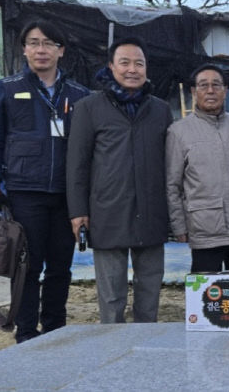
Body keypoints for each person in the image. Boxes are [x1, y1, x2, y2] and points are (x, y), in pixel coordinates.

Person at [0, 19, 89, 343]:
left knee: (60, 267)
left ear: (61, 50)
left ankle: (54, 328)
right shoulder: (6, 89)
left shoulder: (79, 94)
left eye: (49, 43)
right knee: (27, 265)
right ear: (24, 49)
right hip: (26, 193)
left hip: (68, 195)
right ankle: (26, 332)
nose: (41, 49)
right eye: (34, 42)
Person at [67, 37, 172, 324]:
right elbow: (77, 164)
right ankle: (111, 351)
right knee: (111, 295)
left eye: (139, 63)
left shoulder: (160, 110)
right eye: (124, 62)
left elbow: (170, 163)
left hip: (151, 210)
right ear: (111, 66)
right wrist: (78, 212)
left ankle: (143, 351)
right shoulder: (89, 107)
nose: (132, 69)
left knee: (149, 289)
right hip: (107, 211)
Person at [166, 64, 229, 273]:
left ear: (226, 90)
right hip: (204, 230)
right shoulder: (179, 132)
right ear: (194, 92)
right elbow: (172, 185)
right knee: (206, 297)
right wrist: (178, 226)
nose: (210, 90)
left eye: (216, 85)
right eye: (203, 86)